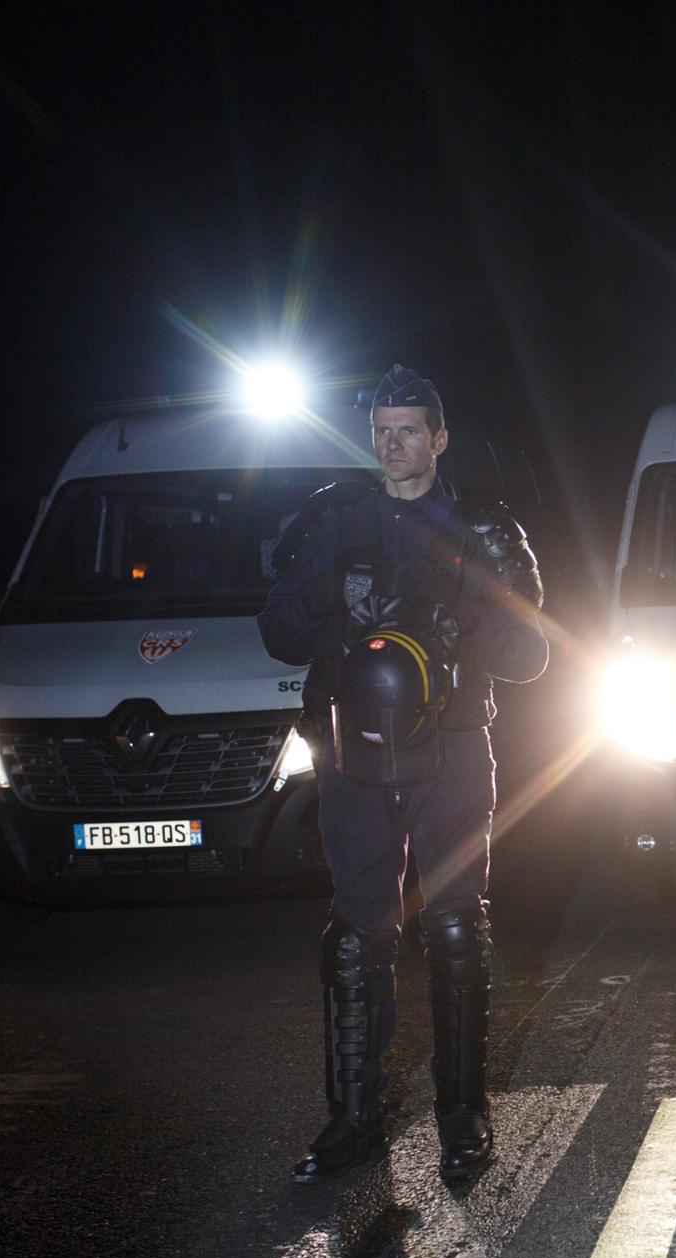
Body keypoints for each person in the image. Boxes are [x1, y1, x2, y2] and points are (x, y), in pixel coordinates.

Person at [258, 365, 548, 1181]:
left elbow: (533, 653)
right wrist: (324, 596)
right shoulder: (332, 523)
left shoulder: (482, 527)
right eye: (382, 429)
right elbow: (276, 629)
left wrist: (461, 616)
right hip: (353, 751)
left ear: (440, 438)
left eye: (409, 429)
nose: (393, 443)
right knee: (357, 933)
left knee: (454, 926)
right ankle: (354, 1116)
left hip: (451, 746)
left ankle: (463, 1116)